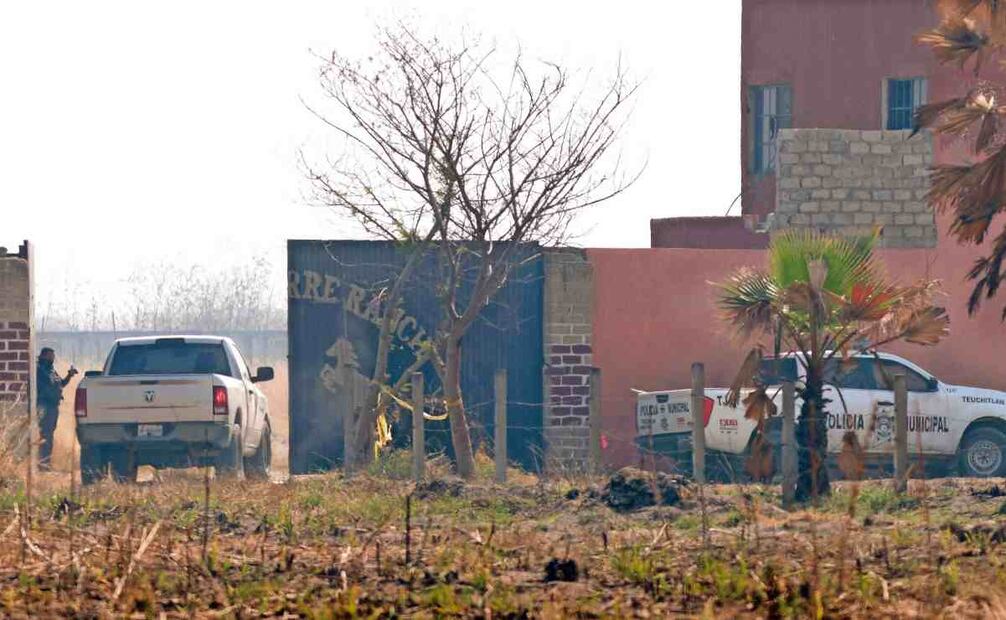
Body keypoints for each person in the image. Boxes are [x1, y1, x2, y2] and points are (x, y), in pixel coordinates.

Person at [36, 347, 77, 470]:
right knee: (45, 434)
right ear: (43, 356)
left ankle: (46, 462)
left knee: (49, 434)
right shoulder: (38, 370)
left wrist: (69, 375)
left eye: (53, 356)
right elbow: (41, 388)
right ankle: (43, 464)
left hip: (53, 406)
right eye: (50, 356)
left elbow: (61, 384)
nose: (52, 359)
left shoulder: (51, 370)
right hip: (44, 406)